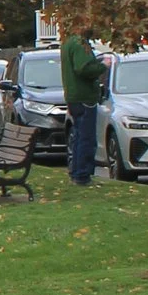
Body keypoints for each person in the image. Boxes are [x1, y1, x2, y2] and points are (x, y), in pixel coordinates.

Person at [60, 30, 107, 185]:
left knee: (79, 137)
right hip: (84, 97)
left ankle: (76, 172)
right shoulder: (80, 43)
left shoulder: (68, 42)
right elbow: (82, 68)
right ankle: (82, 175)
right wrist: (102, 66)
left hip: (74, 97)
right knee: (87, 138)